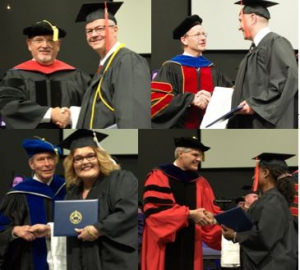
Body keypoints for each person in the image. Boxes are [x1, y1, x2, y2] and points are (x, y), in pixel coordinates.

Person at [59, 129, 138, 270]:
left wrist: (98, 229)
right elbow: (68, 224)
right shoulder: (72, 193)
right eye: (78, 159)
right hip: (80, 261)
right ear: (72, 164)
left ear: (100, 157)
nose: (85, 162)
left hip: (112, 260)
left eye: (91, 156)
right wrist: (49, 230)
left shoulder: (120, 179)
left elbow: (126, 212)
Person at [142, 136, 222, 270]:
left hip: (191, 244)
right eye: (195, 155)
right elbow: (155, 212)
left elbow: (211, 211)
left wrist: (219, 222)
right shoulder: (159, 176)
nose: (198, 159)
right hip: (164, 243)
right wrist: (189, 214)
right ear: (181, 153)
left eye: (200, 156)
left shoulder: (200, 182)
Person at [0, 20, 91, 129]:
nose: (45, 45)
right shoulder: (15, 75)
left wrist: (71, 115)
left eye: (51, 41)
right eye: (39, 40)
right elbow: (8, 106)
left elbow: (94, 109)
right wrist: (51, 114)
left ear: (58, 45)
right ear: (29, 44)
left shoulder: (78, 76)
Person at [75, 2, 151, 128]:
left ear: (115, 30)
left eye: (100, 28)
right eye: (89, 31)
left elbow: (133, 117)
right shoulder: (105, 65)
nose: (93, 34)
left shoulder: (127, 61)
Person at [151, 15, 233, 129]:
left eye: (204, 34)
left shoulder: (212, 69)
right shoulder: (171, 67)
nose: (203, 38)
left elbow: (229, 95)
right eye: (197, 34)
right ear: (184, 40)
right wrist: (190, 99)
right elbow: (157, 101)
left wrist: (212, 97)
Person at [227, 0, 298, 128]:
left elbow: (285, 81)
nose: (239, 27)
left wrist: (255, 104)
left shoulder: (276, 43)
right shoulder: (256, 48)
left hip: (265, 124)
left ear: (253, 18)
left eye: (240, 20)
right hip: (250, 123)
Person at [222, 153, 298, 269]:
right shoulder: (270, 199)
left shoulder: (274, 200)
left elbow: (265, 236)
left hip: (273, 264)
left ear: (266, 173)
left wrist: (235, 235)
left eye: (256, 172)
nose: (253, 177)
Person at [0, 137, 66, 270]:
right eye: (41, 159)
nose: (47, 164)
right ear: (32, 164)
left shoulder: (68, 188)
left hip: (67, 257)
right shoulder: (18, 194)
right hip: (30, 260)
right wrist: (15, 230)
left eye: (50, 158)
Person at [220, 186, 259, 270]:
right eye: (255, 197)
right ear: (246, 199)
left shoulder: (260, 211)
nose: (257, 199)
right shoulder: (236, 213)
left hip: (252, 256)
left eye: (258, 197)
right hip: (234, 255)